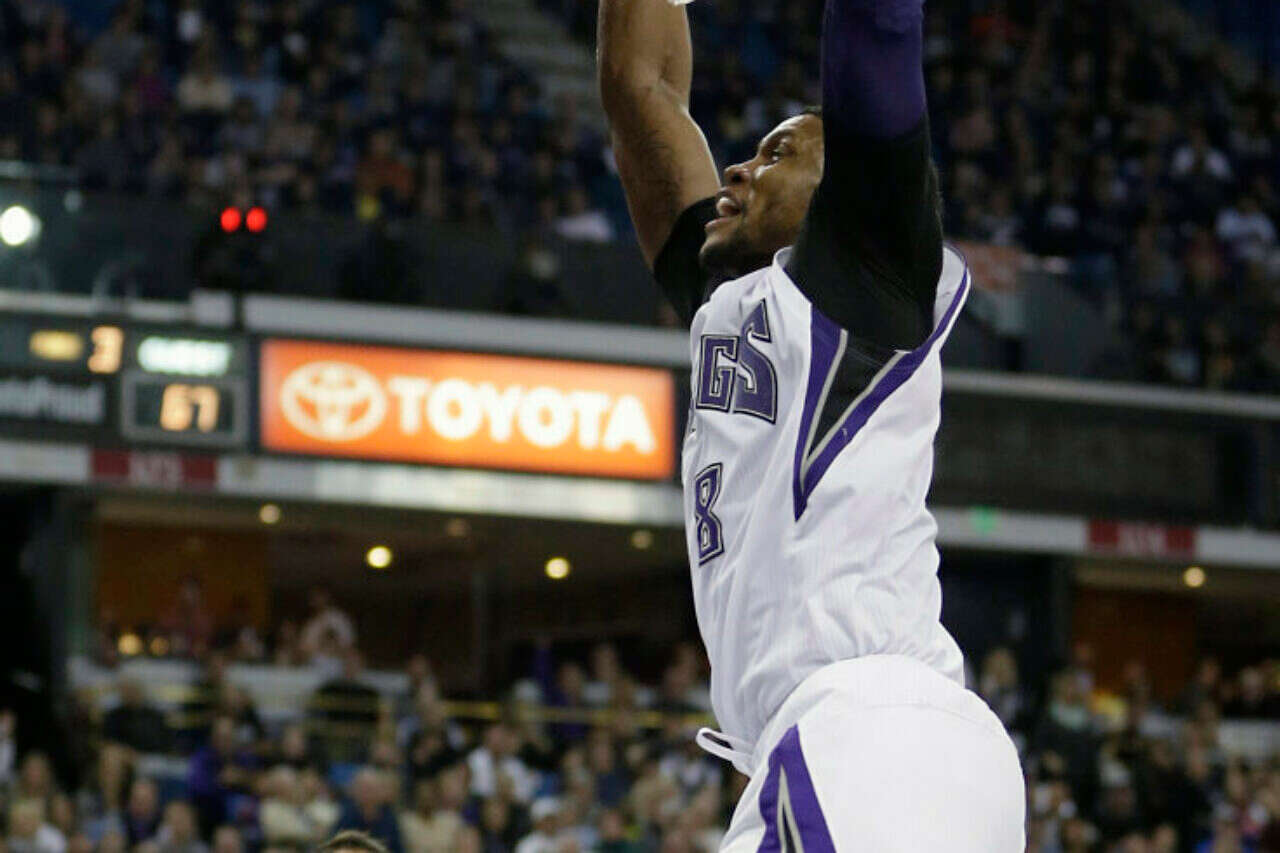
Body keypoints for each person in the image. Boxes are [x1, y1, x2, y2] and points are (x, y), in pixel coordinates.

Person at [598, 0, 1024, 847]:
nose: (737, 168)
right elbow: (639, 90)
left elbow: (879, 29)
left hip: (865, 726)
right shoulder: (738, 307)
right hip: (866, 748)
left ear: (840, 194)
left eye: (777, 153)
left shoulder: (869, 269)